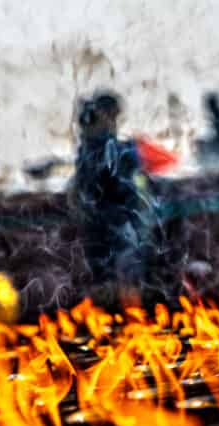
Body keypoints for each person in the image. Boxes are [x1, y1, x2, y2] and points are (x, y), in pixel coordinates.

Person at [70, 90, 153, 292]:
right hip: (111, 221)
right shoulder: (102, 146)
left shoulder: (99, 144)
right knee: (119, 274)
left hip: (108, 220)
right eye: (113, 115)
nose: (114, 122)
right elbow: (112, 180)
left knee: (115, 274)